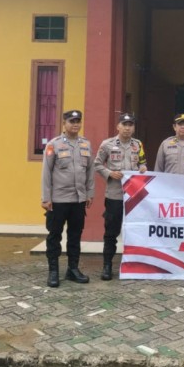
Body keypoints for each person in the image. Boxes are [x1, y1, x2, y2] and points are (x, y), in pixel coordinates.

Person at [41, 109, 95, 288]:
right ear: (64, 124)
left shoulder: (85, 144)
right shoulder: (54, 144)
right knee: (54, 236)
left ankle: (73, 269)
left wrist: (89, 193)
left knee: (75, 236)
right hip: (58, 200)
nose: (75, 124)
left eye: (78, 121)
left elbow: (90, 172)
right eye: (72, 121)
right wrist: (45, 198)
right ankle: (53, 271)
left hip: (78, 200)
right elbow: (46, 173)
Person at [94, 112, 147, 280]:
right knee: (111, 232)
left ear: (133, 128)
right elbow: (96, 164)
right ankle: (107, 266)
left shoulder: (138, 145)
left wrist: (143, 168)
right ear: (118, 126)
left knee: (135, 231)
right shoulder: (107, 144)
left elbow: (143, 163)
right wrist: (109, 173)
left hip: (133, 197)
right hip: (115, 195)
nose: (127, 128)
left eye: (130, 125)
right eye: (124, 124)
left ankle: (134, 264)